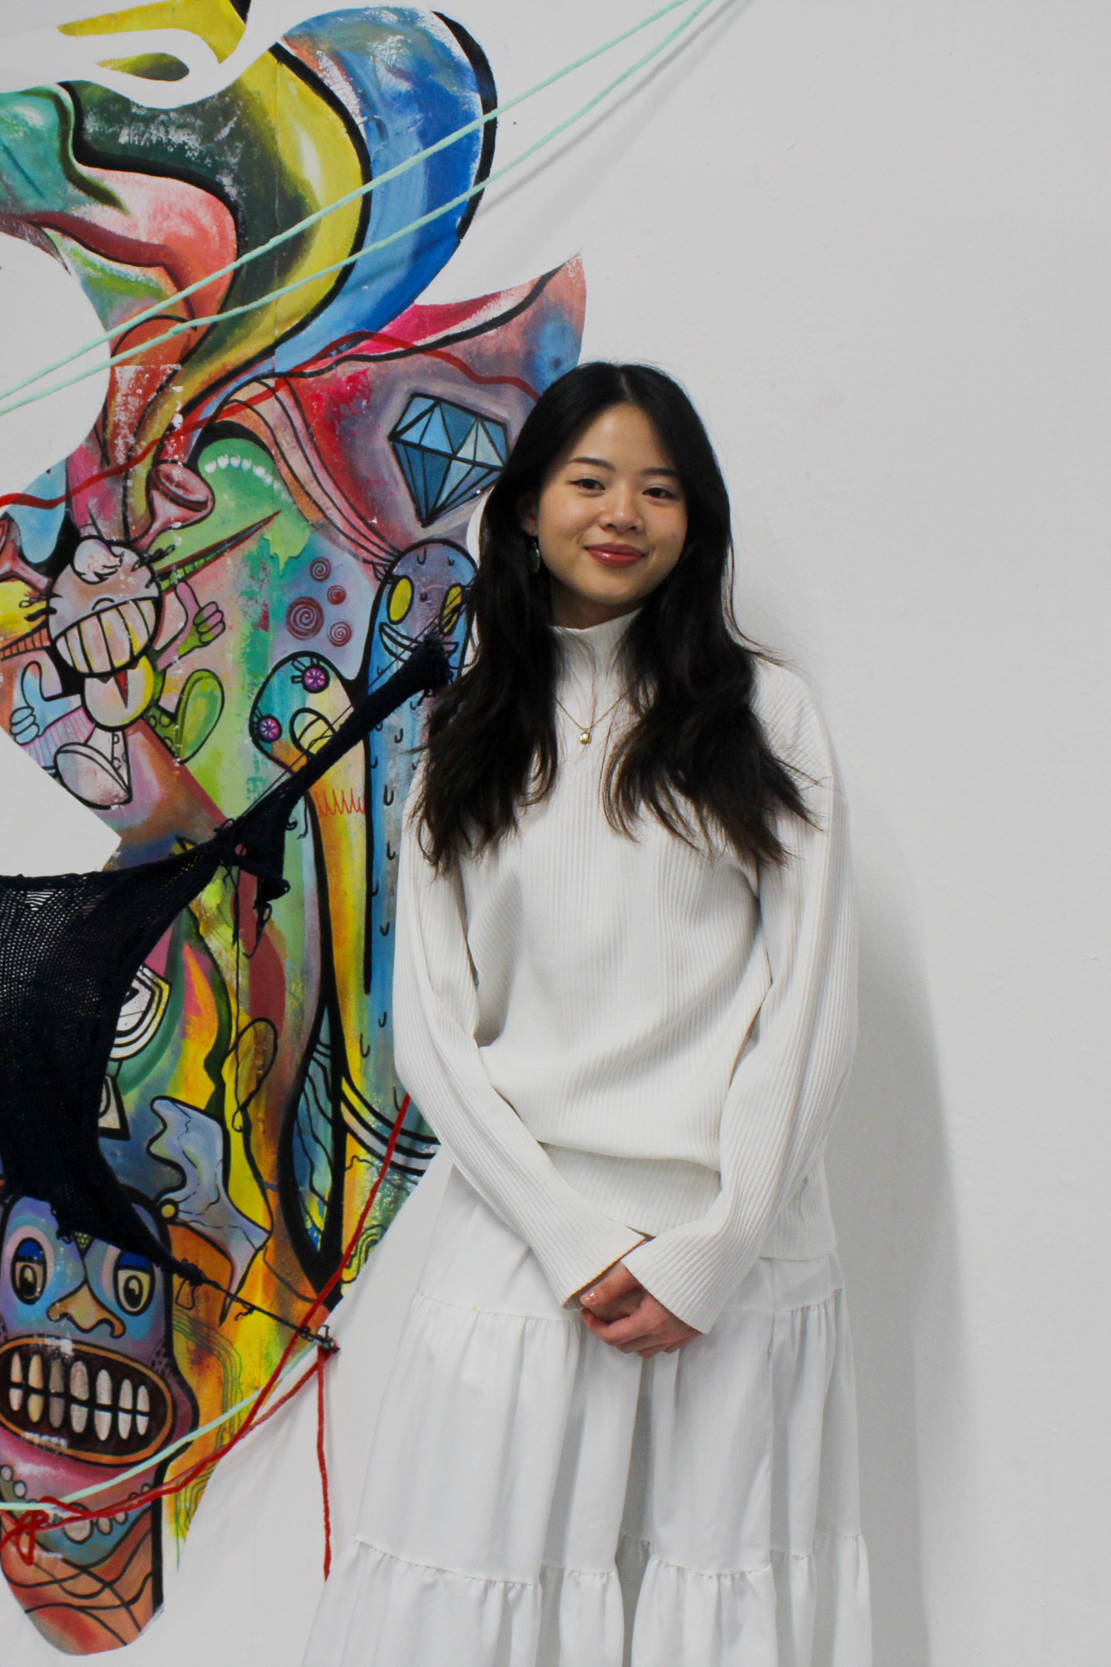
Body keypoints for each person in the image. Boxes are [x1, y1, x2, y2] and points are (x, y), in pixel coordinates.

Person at [303, 362, 872, 1666]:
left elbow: (811, 994)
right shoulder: (464, 725)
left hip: (737, 1241)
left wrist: (712, 1247)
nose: (624, 512)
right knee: (468, 1594)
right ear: (521, 511)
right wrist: (566, 1236)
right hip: (522, 1235)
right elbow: (434, 1027)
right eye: (591, 480)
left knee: (727, 1603)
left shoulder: (766, 713)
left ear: (696, 521)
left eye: (661, 489)